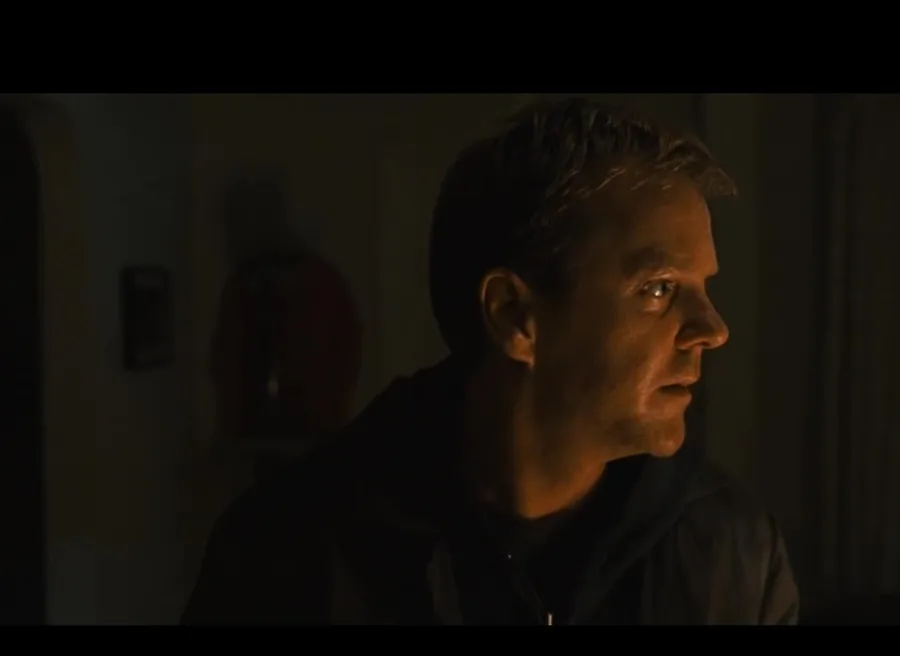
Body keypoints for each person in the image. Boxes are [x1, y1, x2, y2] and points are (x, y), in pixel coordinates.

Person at [181, 97, 799, 625]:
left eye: (703, 288)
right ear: (512, 314)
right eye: (658, 289)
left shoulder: (730, 554)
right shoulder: (287, 550)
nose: (713, 330)